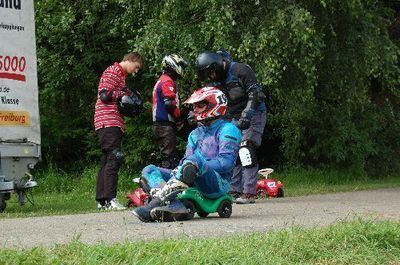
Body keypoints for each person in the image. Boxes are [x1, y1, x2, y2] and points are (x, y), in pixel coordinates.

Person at [132, 86, 242, 222]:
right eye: (194, 106)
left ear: (214, 105)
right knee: (149, 170)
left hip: (217, 183)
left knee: (195, 159)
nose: (195, 110)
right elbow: (186, 161)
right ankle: (175, 206)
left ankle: (153, 206)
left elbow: (226, 163)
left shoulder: (228, 129)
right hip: (191, 177)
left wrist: (198, 163)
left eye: (200, 105)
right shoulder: (195, 134)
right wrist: (184, 167)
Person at [196, 51, 267, 204]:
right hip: (231, 115)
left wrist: (247, 115)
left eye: (212, 72)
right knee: (230, 149)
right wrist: (195, 114)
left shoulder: (240, 70)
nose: (211, 77)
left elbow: (256, 93)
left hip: (254, 113)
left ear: (216, 65)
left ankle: (249, 193)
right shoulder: (215, 81)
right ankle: (233, 190)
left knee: (246, 148)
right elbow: (207, 99)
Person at [94, 52, 144, 210]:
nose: (135, 71)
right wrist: (122, 93)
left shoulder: (121, 76)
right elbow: (104, 95)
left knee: (107, 159)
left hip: (109, 121)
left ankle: (102, 201)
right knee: (114, 158)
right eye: (136, 67)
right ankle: (110, 199)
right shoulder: (113, 71)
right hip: (108, 121)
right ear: (130, 60)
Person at [152, 54, 188, 169]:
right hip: (165, 125)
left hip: (161, 125)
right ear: (173, 65)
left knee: (167, 155)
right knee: (169, 158)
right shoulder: (167, 81)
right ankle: (166, 184)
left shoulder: (162, 80)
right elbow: (169, 104)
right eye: (180, 65)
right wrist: (179, 118)